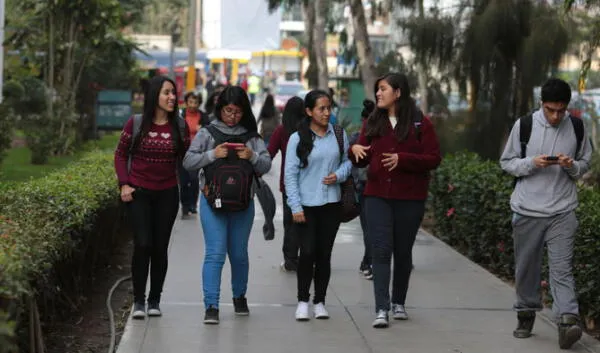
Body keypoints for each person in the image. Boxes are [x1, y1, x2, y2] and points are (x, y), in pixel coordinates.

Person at [500, 78, 591, 349]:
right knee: (527, 267)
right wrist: (531, 163)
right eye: (551, 110)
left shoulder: (576, 126)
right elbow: (507, 162)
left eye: (561, 110)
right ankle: (526, 314)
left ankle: (567, 321)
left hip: (563, 209)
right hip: (528, 209)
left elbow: (585, 163)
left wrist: (571, 165)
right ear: (542, 104)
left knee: (562, 269)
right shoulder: (524, 125)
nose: (555, 116)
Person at [349, 73, 441, 329]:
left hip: (410, 198)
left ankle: (399, 301)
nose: (378, 94)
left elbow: (434, 158)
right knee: (380, 250)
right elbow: (362, 157)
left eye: (383, 89)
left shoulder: (420, 123)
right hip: (377, 196)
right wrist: (354, 150)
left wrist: (404, 159)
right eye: (377, 89)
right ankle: (381, 308)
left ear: (398, 92)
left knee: (403, 252)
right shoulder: (372, 122)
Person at [183, 86, 272, 325]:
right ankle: (211, 305)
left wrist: (251, 156)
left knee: (239, 254)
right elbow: (188, 161)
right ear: (219, 108)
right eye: (228, 111)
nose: (232, 117)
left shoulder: (252, 136)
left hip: (244, 204)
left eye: (237, 112)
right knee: (215, 253)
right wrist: (213, 154)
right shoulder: (207, 133)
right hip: (213, 203)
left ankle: (239, 296)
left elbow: (266, 165)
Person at [114, 75, 190, 319]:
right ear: (155, 95)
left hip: (167, 193)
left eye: (173, 93)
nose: (172, 97)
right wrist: (124, 184)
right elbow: (120, 154)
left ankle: (154, 299)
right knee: (143, 244)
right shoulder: (135, 123)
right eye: (166, 92)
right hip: (139, 193)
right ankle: (138, 300)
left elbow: (188, 159)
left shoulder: (179, 125)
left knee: (159, 247)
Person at [284, 90, 352, 321]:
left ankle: (320, 301)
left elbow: (348, 162)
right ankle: (303, 300)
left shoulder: (339, 135)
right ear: (309, 111)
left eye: (328, 108)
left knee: (324, 254)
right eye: (321, 108)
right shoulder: (297, 138)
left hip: (331, 204)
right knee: (308, 252)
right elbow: (289, 176)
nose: (326, 113)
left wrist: (339, 175)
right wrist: (295, 207)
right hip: (306, 205)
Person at [267, 96, 305, 272]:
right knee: (306, 222)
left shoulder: (282, 131)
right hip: (308, 184)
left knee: (290, 222)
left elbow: (269, 153)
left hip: (288, 184)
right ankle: (304, 257)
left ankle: (290, 259)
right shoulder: (308, 130)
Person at [352, 99, 375, 280]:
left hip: (365, 186)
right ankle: (368, 261)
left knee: (369, 228)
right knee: (374, 228)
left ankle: (369, 262)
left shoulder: (358, 137)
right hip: (373, 185)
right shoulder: (382, 134)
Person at [179, 92, 210, 218]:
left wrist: (201, 129)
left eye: (195, 102)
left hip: (197, 153)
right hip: (182, 152)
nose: (193, 105)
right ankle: (185, 205)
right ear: (186, 102)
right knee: (183, 181)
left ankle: (193, 204)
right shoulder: (180, 115)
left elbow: (209, 132)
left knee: (194, 179)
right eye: (190, 102)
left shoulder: (203, 116)